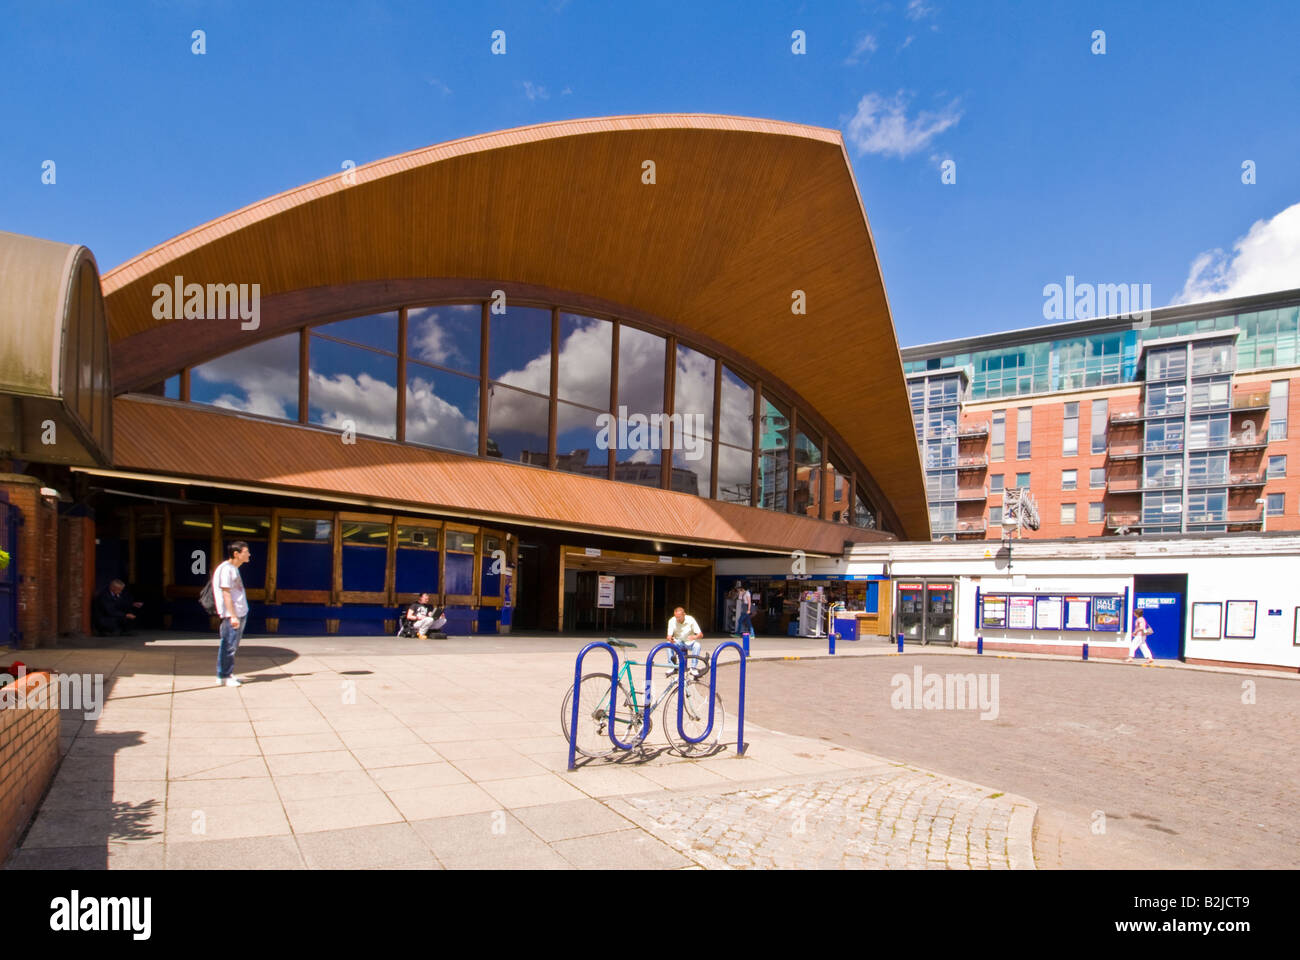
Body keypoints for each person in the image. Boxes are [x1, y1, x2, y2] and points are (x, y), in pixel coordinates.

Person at [213, 540, 251, 687]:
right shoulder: (226, 569)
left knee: (231, 645)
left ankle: (225, 673)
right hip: (233, 614)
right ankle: (224, 675)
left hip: (239, 612)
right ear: (236, 554)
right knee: (228, 645)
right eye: (246, 552)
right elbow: (226, 594)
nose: (249, 554)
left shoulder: (233, 569)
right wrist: (232, 615)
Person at [666, 605, 704, 677]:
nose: (678, 619)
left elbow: (701, 635)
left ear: (684, 615)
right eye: (676, 617)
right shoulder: (671, 621)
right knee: (668, 644)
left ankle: (693, 668)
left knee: (697, 645)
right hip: (678, 641)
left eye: (679, 617)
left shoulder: (691, 620)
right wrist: (670, 639)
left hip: (689, 642)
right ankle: (671, 666)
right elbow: (668, 636)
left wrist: (695, 636)